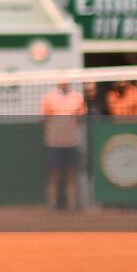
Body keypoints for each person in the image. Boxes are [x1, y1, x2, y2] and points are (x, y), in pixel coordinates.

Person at [40, 81, 86, 211]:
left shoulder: (77, 98)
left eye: (66, 82)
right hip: (53, 143)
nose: (64, 84)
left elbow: (81, 119)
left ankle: (72, 206)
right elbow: (44, 120)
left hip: (72, 142)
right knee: (54, 175)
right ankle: (52, 206)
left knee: (72, 175)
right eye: (62, 81)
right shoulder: (48, 98)